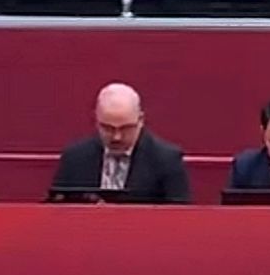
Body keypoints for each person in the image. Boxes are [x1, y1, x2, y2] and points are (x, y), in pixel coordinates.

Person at [51, 83, 191, 203]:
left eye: (125, 128)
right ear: (96, 120)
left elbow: (179, 215)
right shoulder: (75, 158)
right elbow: (55, 208)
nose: (116, 137)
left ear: (141, 120)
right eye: (108, 128)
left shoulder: (166, 160)